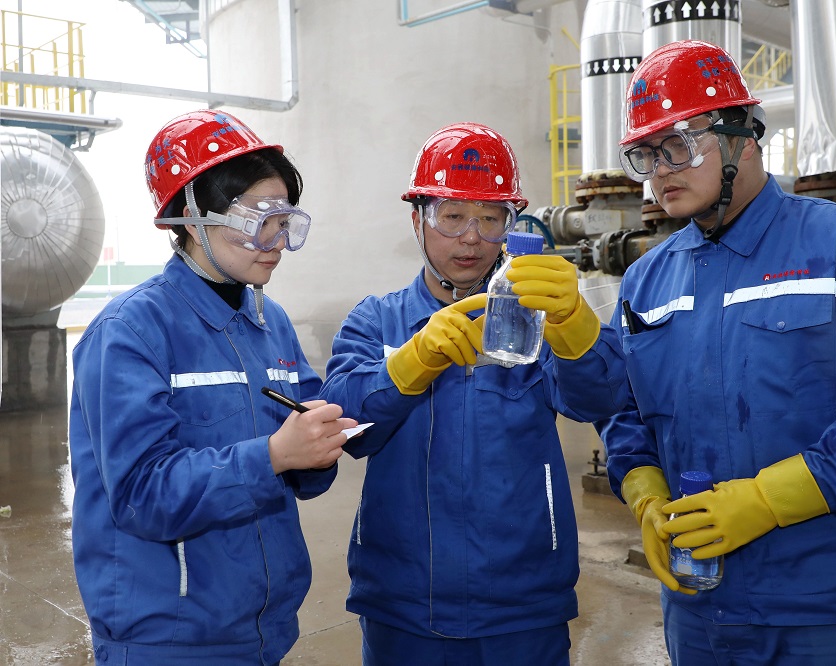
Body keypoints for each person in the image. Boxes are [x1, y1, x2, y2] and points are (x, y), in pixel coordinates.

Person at [598, 40, 836, 665]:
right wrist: (645, 492)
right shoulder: (647, 279)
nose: (660, 170)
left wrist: (772, 499)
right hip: (699, 605)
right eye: (646, 154)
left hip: (828, 610)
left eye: (678, 144)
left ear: (742, 138)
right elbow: (625, 407)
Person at [319, 122, 627, 665]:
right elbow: (348, 430)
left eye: (490, 218)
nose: (471, 237)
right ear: (417, 220)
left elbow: (598, 401)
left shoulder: (536, 317)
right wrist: (410, 362)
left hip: (522, 603)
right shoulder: (377, 320)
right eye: (452, 215)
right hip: (403, 602)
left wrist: (575, 325)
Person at [69, 109, 357, 665]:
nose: (275, 241)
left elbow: (303, 467)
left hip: (263, 626)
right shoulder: (130, 331)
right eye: (257, 219)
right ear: (189, 216)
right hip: (169, 637)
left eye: (284, 220)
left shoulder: (270, 321)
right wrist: (274, 455)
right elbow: (141, 495)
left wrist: (318, 448)